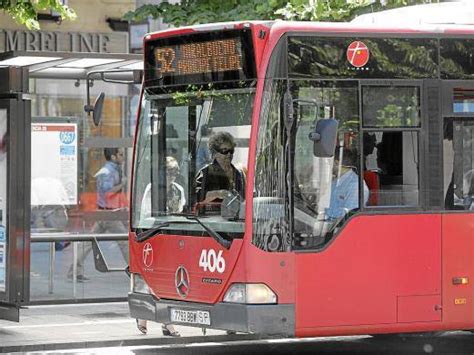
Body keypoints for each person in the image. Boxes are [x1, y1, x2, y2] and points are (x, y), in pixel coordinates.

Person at [136, 156, 183, 337]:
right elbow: (146, 215)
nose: (173, 175)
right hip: (154, 238)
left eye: (175, 171)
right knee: (155, 281)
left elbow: (181, 211)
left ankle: (149, 318)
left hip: (171, 239)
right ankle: (166, 323)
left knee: (164, 282)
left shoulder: (178, 190)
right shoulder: (152, 188)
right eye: (169, 171)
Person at [67, 148, 128, 281]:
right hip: (108, 214)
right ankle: (135, 270)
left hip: (107, 212)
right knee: (124, 241)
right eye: (121, 154)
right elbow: (108, 193)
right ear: (113, 156)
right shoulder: (107, 172)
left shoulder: (111, 170)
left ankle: (74, 271)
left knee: (89, 241)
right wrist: (122, 184)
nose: (123, 157)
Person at [195, 131, 245, 206]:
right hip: (212, 215)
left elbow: (243, 197)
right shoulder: (205, 172)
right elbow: (195, 196)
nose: (229, 154)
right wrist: (218, 193)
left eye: (231, 151)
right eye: (224, 151)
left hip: (235, 215)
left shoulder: (238, 173)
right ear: (215, 153)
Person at [326, 148, 369, 220]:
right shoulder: (334, 182)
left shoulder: (356, 186)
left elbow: (350, 216)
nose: (328, 166)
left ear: (336, 163)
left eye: (329, 163)